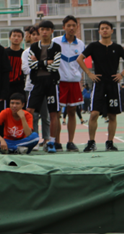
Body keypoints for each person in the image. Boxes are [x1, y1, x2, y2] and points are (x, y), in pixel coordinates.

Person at [79, 20, 124, 152]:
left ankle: (109, 142)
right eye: (102, 28)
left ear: (112, 31)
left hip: (113, 84)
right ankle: (91, 142)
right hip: (99, 83)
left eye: (107, 28)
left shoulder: (117, 47)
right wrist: (89, 73)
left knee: (112, 115)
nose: (104, 30)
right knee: (94, 114)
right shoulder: (93, 46)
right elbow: (79, 59)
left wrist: (121, 74)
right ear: (99, 31)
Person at [24, 20, 62, 154]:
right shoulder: (33, 47)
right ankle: (31, 139)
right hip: (37, 83)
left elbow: (55, 66)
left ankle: (51, 141)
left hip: (51, 83)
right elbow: (31, 65)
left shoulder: (56, 47)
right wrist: (46, 62)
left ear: (52, 31)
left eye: (47, 29)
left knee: (53, 113)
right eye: (42, 29)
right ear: (39, 31)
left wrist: (39, 63)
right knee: (29, 111)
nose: (44, 32)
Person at [49, 15, 84, 153]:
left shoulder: (80, 44)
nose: (71, 28)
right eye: (68, 25)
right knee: (57, 113)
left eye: (73, 25)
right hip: (59, 82)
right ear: (63, 27)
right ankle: (57, 142)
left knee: (72, 112)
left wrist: (78, 78)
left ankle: (70, 142)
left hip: (74, 82)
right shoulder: (55, 42)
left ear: (77, 27)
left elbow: (80, 65)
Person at [6, 29, 26, 98]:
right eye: (14, 36)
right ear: (10, 38)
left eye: (19, 36)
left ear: (22, 39)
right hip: (6, 84)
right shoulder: (4, 53)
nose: (16, 38)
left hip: (20, 85)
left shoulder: (24, 53)